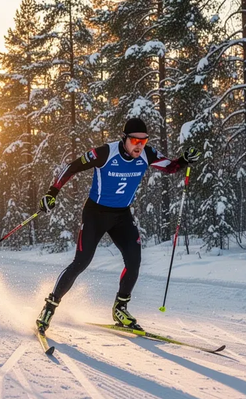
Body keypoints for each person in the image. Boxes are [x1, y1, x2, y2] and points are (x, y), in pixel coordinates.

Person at [36, 117, 201, 334]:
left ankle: (120, 309)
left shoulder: (146, 154)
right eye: (134, 140)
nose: (139, 145)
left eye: (143, 141)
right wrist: (52, 193)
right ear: (124, 139)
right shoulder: (105, 153)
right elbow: (71, 167)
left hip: (121, 215)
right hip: (95, 213)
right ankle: (50, 306)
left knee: (134, 260)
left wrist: (184, 160)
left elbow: (171, 167)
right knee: (81, 261)